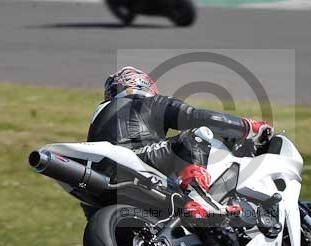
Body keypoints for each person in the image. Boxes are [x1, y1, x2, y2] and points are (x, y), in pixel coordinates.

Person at [87, 66, 273, 221]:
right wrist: (249, 127)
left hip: (104, 179)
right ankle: (197, 195)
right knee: (198, 134)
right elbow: (196, 117)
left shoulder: (98, 115)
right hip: (139, 158)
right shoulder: (144, 101)